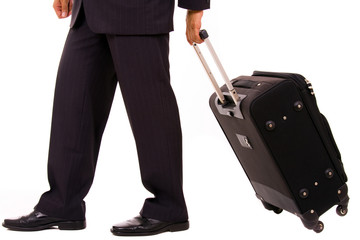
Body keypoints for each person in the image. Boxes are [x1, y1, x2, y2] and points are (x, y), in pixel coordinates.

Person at [2, 0, 210, 236]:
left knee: (150, 110)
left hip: (140, 12)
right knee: (71, 103)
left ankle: (167, 207)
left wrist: (195, 7)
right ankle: (63, 203)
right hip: (88, 11)